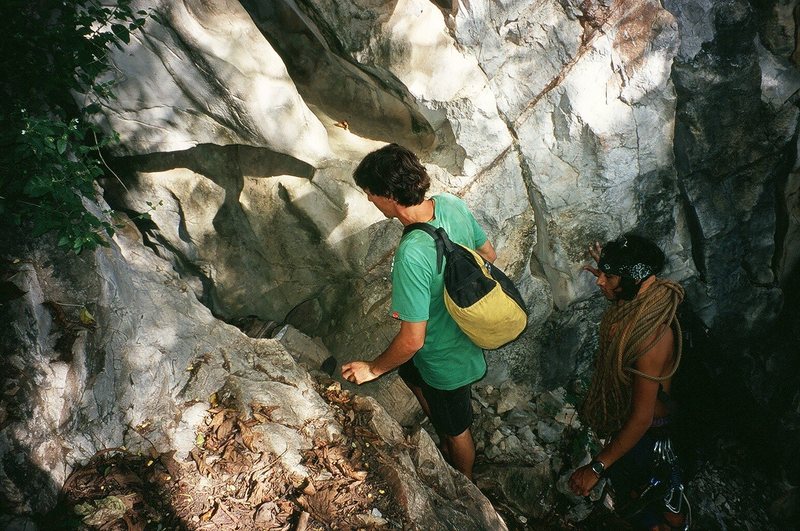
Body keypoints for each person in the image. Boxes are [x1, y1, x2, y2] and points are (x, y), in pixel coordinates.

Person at [341, 143, 496, 481]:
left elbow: (412, 340)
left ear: (389, 195)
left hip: (444, 358)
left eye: (370, 193)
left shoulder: (412, 253)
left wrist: (372, 369)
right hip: (459, 334)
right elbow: (490, 256)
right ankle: (439, 429)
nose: (368, 199)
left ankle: (465, 484)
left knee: (457, 431)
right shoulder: (451, 205)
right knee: (412, 374)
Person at [569, 234, 690, 530]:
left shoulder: (653, 337)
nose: (600, 282)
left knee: (654, 511)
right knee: (633, 498)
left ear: (634, 280)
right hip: (637, 427)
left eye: (608, 277)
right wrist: (613, 276)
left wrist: (596, 467)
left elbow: (641, 417)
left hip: (652, 437)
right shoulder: (641, 292)